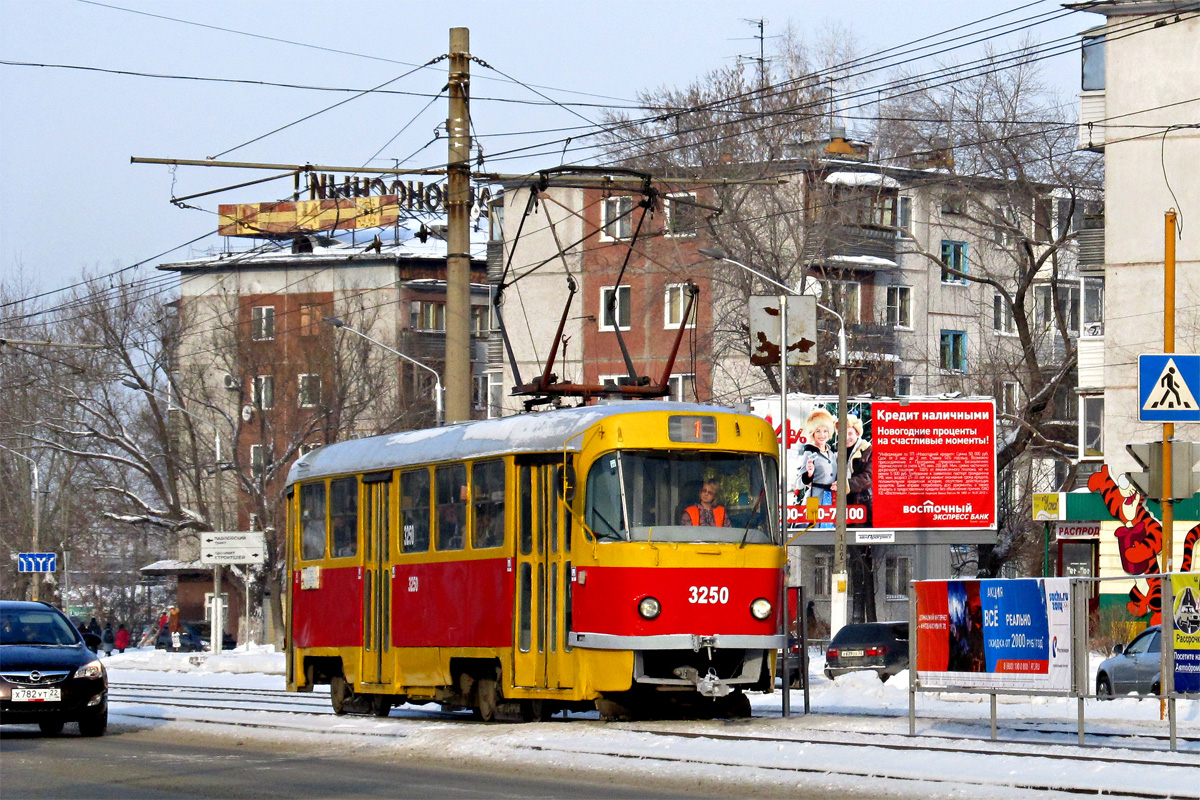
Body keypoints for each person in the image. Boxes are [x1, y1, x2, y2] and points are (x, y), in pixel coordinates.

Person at [797, 408, 837, 528]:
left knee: (830, 534)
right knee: (811, 533)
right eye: (818, 431)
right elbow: (799, 483)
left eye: (825, 431)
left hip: (830, 499)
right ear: (812, 432)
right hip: (814, 499)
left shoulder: (832, 452)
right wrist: (809, 474)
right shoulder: (809, 452)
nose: (822, 435)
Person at [843, 414, 873, 528]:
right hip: (845, 504)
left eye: (849, 433)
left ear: (857, 433)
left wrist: (844, 485)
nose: (846, 437)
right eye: (842, 433)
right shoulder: (839, 453)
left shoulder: (868, 450)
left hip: (862, 504)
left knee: (858, 541)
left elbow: (868, 477)